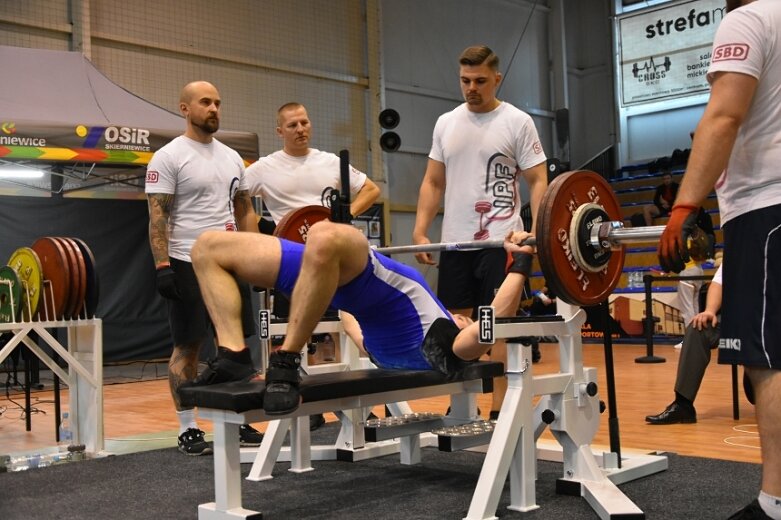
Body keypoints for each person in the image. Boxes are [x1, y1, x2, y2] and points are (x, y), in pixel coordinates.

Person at [187, 221, 536, 418]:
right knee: (206, 246)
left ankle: (286, 361)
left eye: (467, 321)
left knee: (322, 233)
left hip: (359, 277)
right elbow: (348, 319)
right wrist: (519, 261)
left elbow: (496, 321)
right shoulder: (393, 350)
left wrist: (521, 260)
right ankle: (233, 355)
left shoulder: (449, 346)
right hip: (332, 276)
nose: (463, 318)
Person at [658, 2, 781, 518]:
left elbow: (725, 113)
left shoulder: (748, 19)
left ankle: (775, 501)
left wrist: (685, 203)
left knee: (770, 359)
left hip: (765, 205)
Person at [412, 45, 548, 420]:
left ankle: (500, 408)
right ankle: (462, 405)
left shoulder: (517, 121)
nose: (471, 87)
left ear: (497, 79)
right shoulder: (446, 123)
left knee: (494, 324)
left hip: (501, 241)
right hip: (456, 241)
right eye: (465, 80)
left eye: (480, 81)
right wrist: (422, 230)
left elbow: (538, 180)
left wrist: (536, 232)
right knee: (454, 323)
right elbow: (433, 181)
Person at [145, 80, 264, 456]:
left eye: (217, 102)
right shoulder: (168, 156)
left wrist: (255, 253)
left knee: (235, 347)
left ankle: (238, 419)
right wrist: (163, 264)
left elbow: (244, 209)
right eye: (205, 102)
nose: (214, 108)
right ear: (185, 108)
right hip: (185, 261)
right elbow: (157, 216)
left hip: (229, 261)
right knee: (188, 347)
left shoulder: (231, 157)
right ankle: (188, 428)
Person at [245, 102, 380, 430]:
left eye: (304, 122)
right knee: (296, 333)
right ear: (280, 131)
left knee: (335, 333)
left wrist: (343, 216)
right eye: (292, 125)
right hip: (290, 260)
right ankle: (309, 402)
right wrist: (255, 237)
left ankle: (340, 400)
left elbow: (372, 190)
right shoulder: (263, 168)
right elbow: (235, 196)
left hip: (332, 258)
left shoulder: (330, 162)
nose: (300, 129)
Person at [646, 264, 723, 424]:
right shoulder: (737, 251)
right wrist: (709, 310)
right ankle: (683, 405)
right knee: (698, 328)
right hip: (735, 321)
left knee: (756, 390)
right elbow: (718, 282)